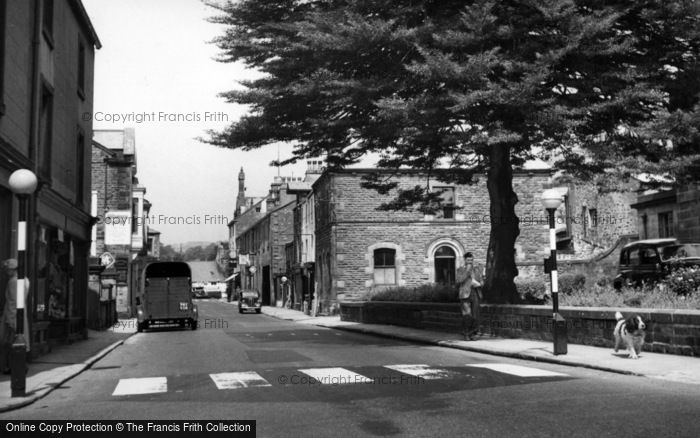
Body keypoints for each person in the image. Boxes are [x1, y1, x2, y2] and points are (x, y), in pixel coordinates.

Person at [0, 259, 30, 374]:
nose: (6, 272)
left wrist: (10, 320)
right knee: (18, 342)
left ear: (12, 269)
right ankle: (19, 366)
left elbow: (13, 301)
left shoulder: (13, 281)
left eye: (7, 269)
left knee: (9, 343)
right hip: (21, 315)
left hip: (13, 316)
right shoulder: (25, 280)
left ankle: (15, 367)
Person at [456, 252, 484, 340]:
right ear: (464, 260)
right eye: (468, 260)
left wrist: (480, 283)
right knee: (467, 315)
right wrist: (467, 271)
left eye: (471, 260)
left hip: (475, 293)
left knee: (475, 316)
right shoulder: (460, 269)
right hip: (465, 294)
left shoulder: (476, 270)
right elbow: (459, 280)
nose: (470, 262)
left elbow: (482, 282)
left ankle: (472, 333)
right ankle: (466, 334)